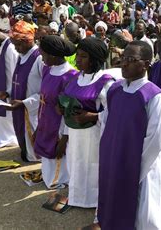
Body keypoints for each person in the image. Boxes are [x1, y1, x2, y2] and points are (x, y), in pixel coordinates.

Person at [94, 41, 161, 229]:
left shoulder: (154, 96)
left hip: (141, 165)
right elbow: (107, 123)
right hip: (114, 158)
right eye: (123, 58)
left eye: (131, 59)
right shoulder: (115, 89)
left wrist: (134, 169)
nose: (124, 63)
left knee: (144, 214)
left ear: (146, 64)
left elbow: (155, 139)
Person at [62, 37, 115, 208]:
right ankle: (77, 196)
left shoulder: (105, 82)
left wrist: (92, 116)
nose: (78, 59)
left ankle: (93, 199)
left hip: (93, 134)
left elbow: (113, 113)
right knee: (75, 161)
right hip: (74, 131)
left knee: (91, 164)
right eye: (77, 55)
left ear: (94, 59)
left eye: (83, 56)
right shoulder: (76, 77)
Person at [34, 36, 78, 189]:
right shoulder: (47, 69)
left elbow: (69, 111)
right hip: (45, 120)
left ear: (52, 55)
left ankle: (60, 179)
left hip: (59, 126)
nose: (41, 56)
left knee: (58, 154)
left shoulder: (70, 76)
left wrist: (64, 138)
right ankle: (49, 175)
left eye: (43, 53)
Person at [7, 20, 44, 162]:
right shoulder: (21, 55)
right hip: (20, 107)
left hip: (33, 110)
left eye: (19, 44)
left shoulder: (40, 58)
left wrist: (26, 103)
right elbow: (18, 82)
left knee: (33, 142)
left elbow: (47, 91)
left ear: (29, 40)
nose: (16, 48)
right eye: (15, 44)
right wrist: (8, 92)